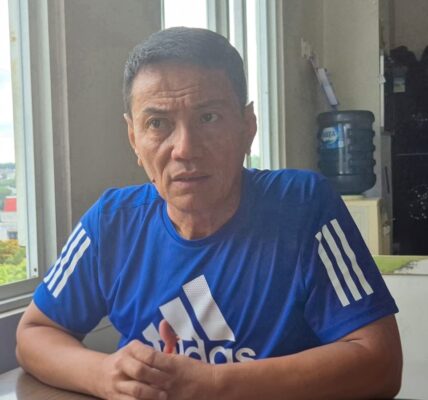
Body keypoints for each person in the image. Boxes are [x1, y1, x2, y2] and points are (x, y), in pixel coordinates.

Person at [16, 27, 402, 400]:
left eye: (208, 118)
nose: (185, 148)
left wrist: (215, 384)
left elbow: (380, 362)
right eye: (157, 124)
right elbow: (34, 333)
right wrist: (105, 375)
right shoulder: (112, 222)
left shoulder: (303, 207)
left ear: (247, 127)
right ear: (134, 138)